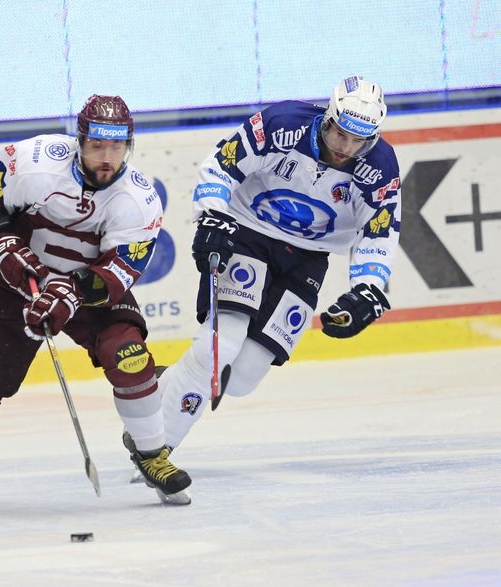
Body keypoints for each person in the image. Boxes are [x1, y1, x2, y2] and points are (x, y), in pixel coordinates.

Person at [0, 94, 192, 504]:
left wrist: (70, 292)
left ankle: (152, 455)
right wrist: (3, 240)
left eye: (116, 147)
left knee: (127, 353)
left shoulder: (138, 199)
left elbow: (119, 272)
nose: (106, 157)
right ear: (79, 141)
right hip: (14, 287)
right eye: (96, 146)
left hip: (88, 294)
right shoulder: (36, 159)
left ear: (129, 146)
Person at [158, 76, 401, 450]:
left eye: (359, 141)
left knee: (242, 379)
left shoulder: (380, 167)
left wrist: (368, 288)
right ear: (328, 117)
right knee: (220, 345)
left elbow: (378, 231)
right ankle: (156, 449)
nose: (346, 149)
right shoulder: (282, 124)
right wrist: (211, 215)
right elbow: (222, 164)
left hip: (307, 259)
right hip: (247, 233)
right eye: (340, 136)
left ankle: (167, 384)